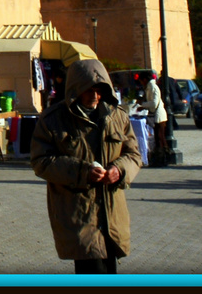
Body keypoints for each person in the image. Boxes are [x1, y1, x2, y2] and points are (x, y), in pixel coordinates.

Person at [30, 58, 143, 274]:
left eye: (99, 90)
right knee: (91, 267)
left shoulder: (117, 117)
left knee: (109, 269)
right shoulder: (53, 120)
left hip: (112, 214)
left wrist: (119, 170)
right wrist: (82, 172)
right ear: (75, 90)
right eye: (88, 89)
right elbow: (40, 161)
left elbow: (134, 154)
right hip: (79, 212)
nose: (94, 96)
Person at [142, 75, 169, 163]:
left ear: (145, 79)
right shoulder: (150, 87)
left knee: (160, 137)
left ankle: (164, 157)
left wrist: (143, 104)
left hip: (159, 115)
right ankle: (161, 157)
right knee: (158, 137)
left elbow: (154, 103)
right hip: (156, 115)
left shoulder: (153, 87)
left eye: (141, 81)